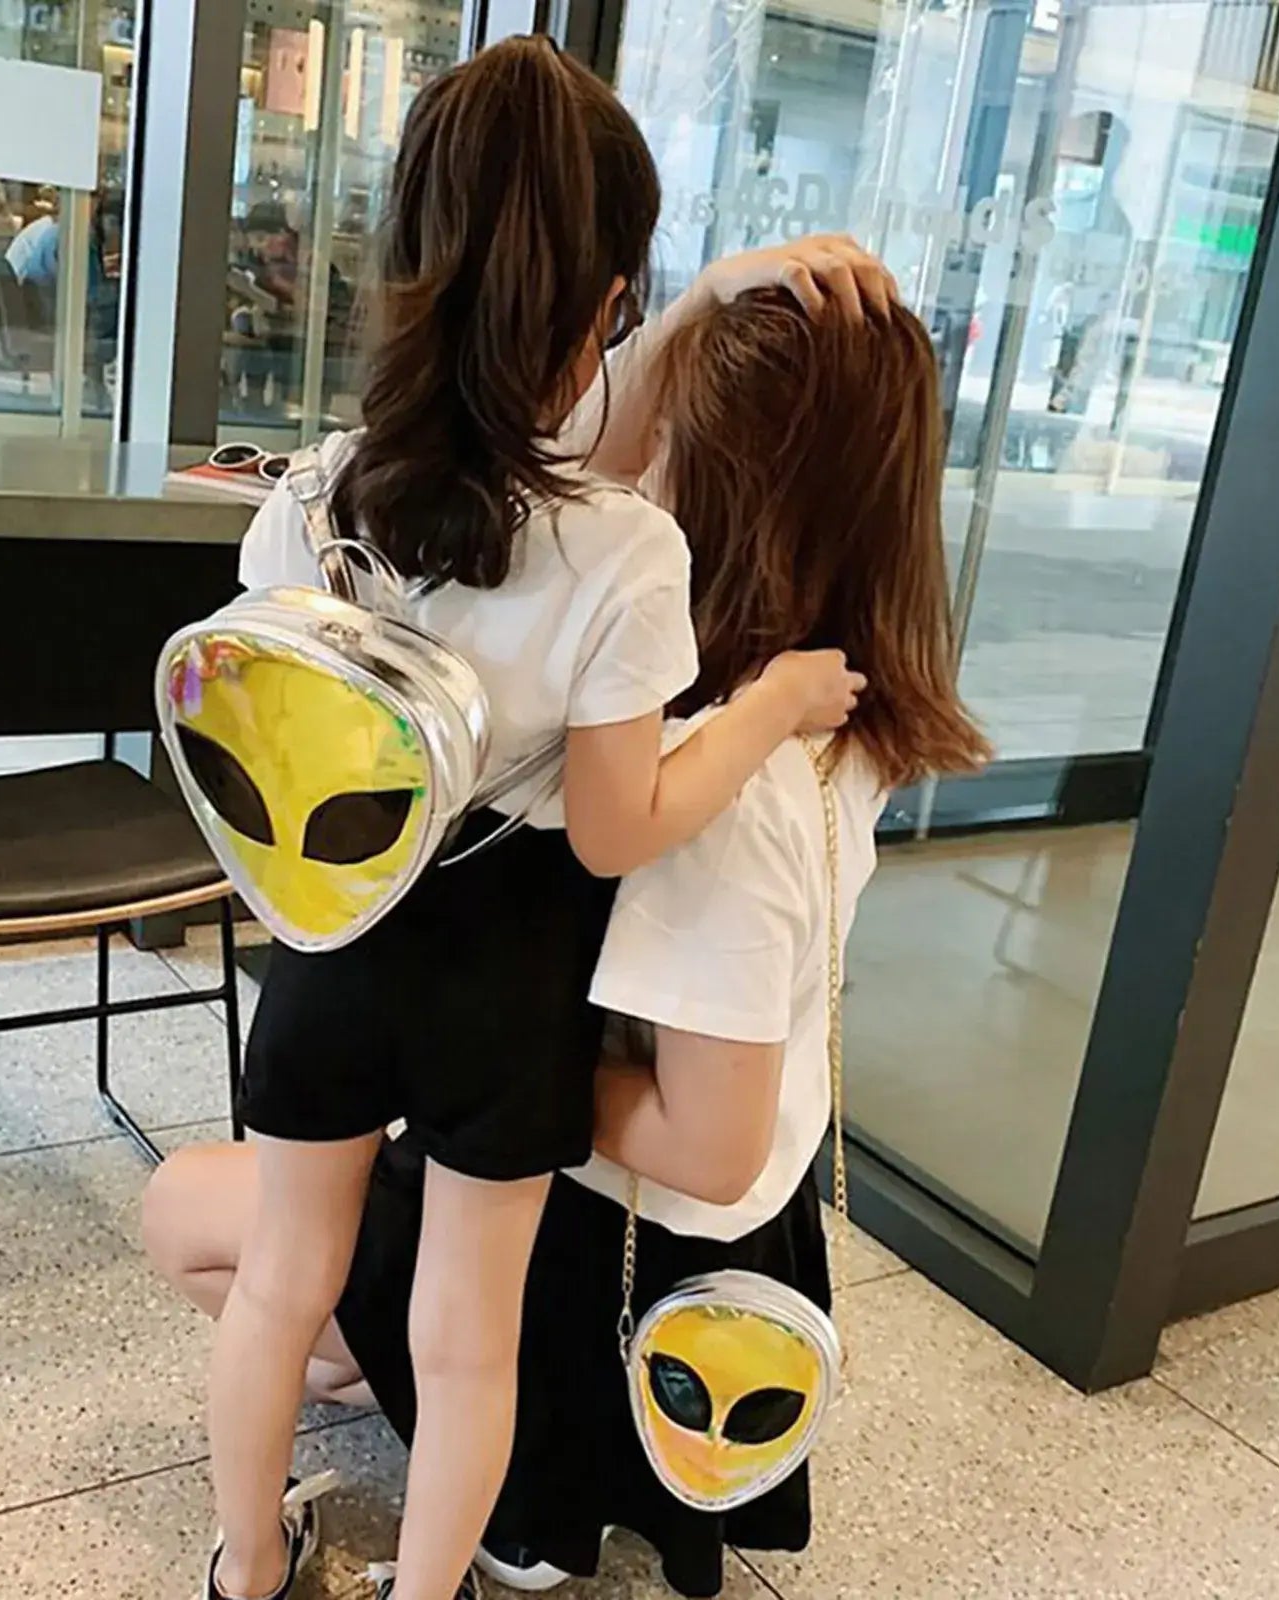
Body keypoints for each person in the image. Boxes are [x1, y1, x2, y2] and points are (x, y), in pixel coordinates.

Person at [146, 283, 989, 1596]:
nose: (614, 454)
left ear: (712, 492)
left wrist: (486, 1083)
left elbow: (701, 1132)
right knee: (400, 1299)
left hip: (602, 1225)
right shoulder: (833, 712)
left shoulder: (717, 780)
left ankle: (450, 1520)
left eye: (656, 435)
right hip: (686, 1205)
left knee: (192, 1218)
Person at [192, 38, 866, 1600]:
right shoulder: (626, 551)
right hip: (505, 993)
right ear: (603, 309)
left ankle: (244, 1571)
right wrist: (765, 710)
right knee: (465, 1336)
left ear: (402, 264)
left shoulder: (309, 499)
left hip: (333, 945)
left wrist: (680, 302)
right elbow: (623, 830)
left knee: (283, 1285)